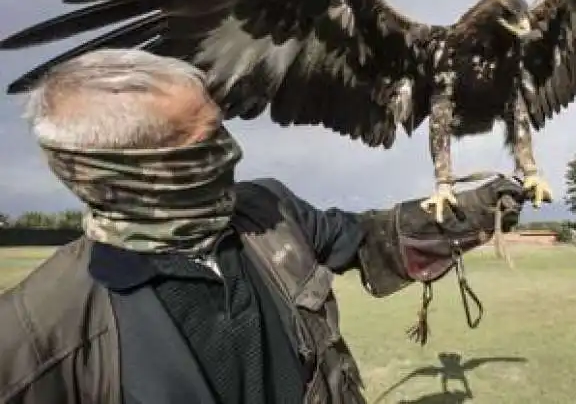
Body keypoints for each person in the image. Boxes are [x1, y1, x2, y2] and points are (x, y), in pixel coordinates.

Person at [0, 48, 527, 404]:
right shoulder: (35, 333)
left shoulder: (266, 211)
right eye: (208, 138)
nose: (234, 150)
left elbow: (370, 240)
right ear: (139, 171)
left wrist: (473, 211)